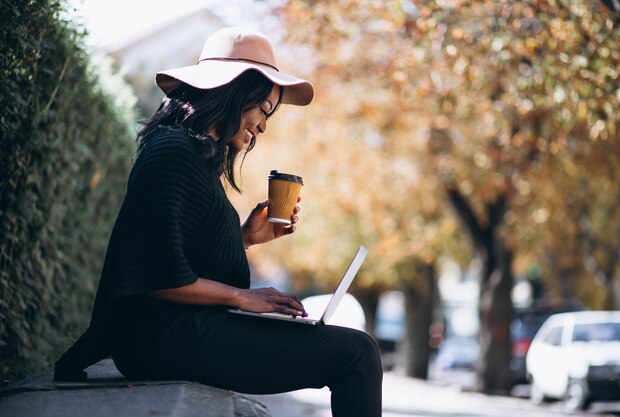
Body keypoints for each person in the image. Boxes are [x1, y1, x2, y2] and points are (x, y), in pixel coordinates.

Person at [53, 27, 382, 417]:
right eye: (263, 109)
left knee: (356, 350)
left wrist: (245, 238)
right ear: (234, 92)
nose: (263, 125)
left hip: (177, 332)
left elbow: (180, 251)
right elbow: (156, 274)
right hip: (163, 338)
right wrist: (244, 297)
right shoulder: (173, 152)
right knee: (357, 354)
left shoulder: (194, 156)